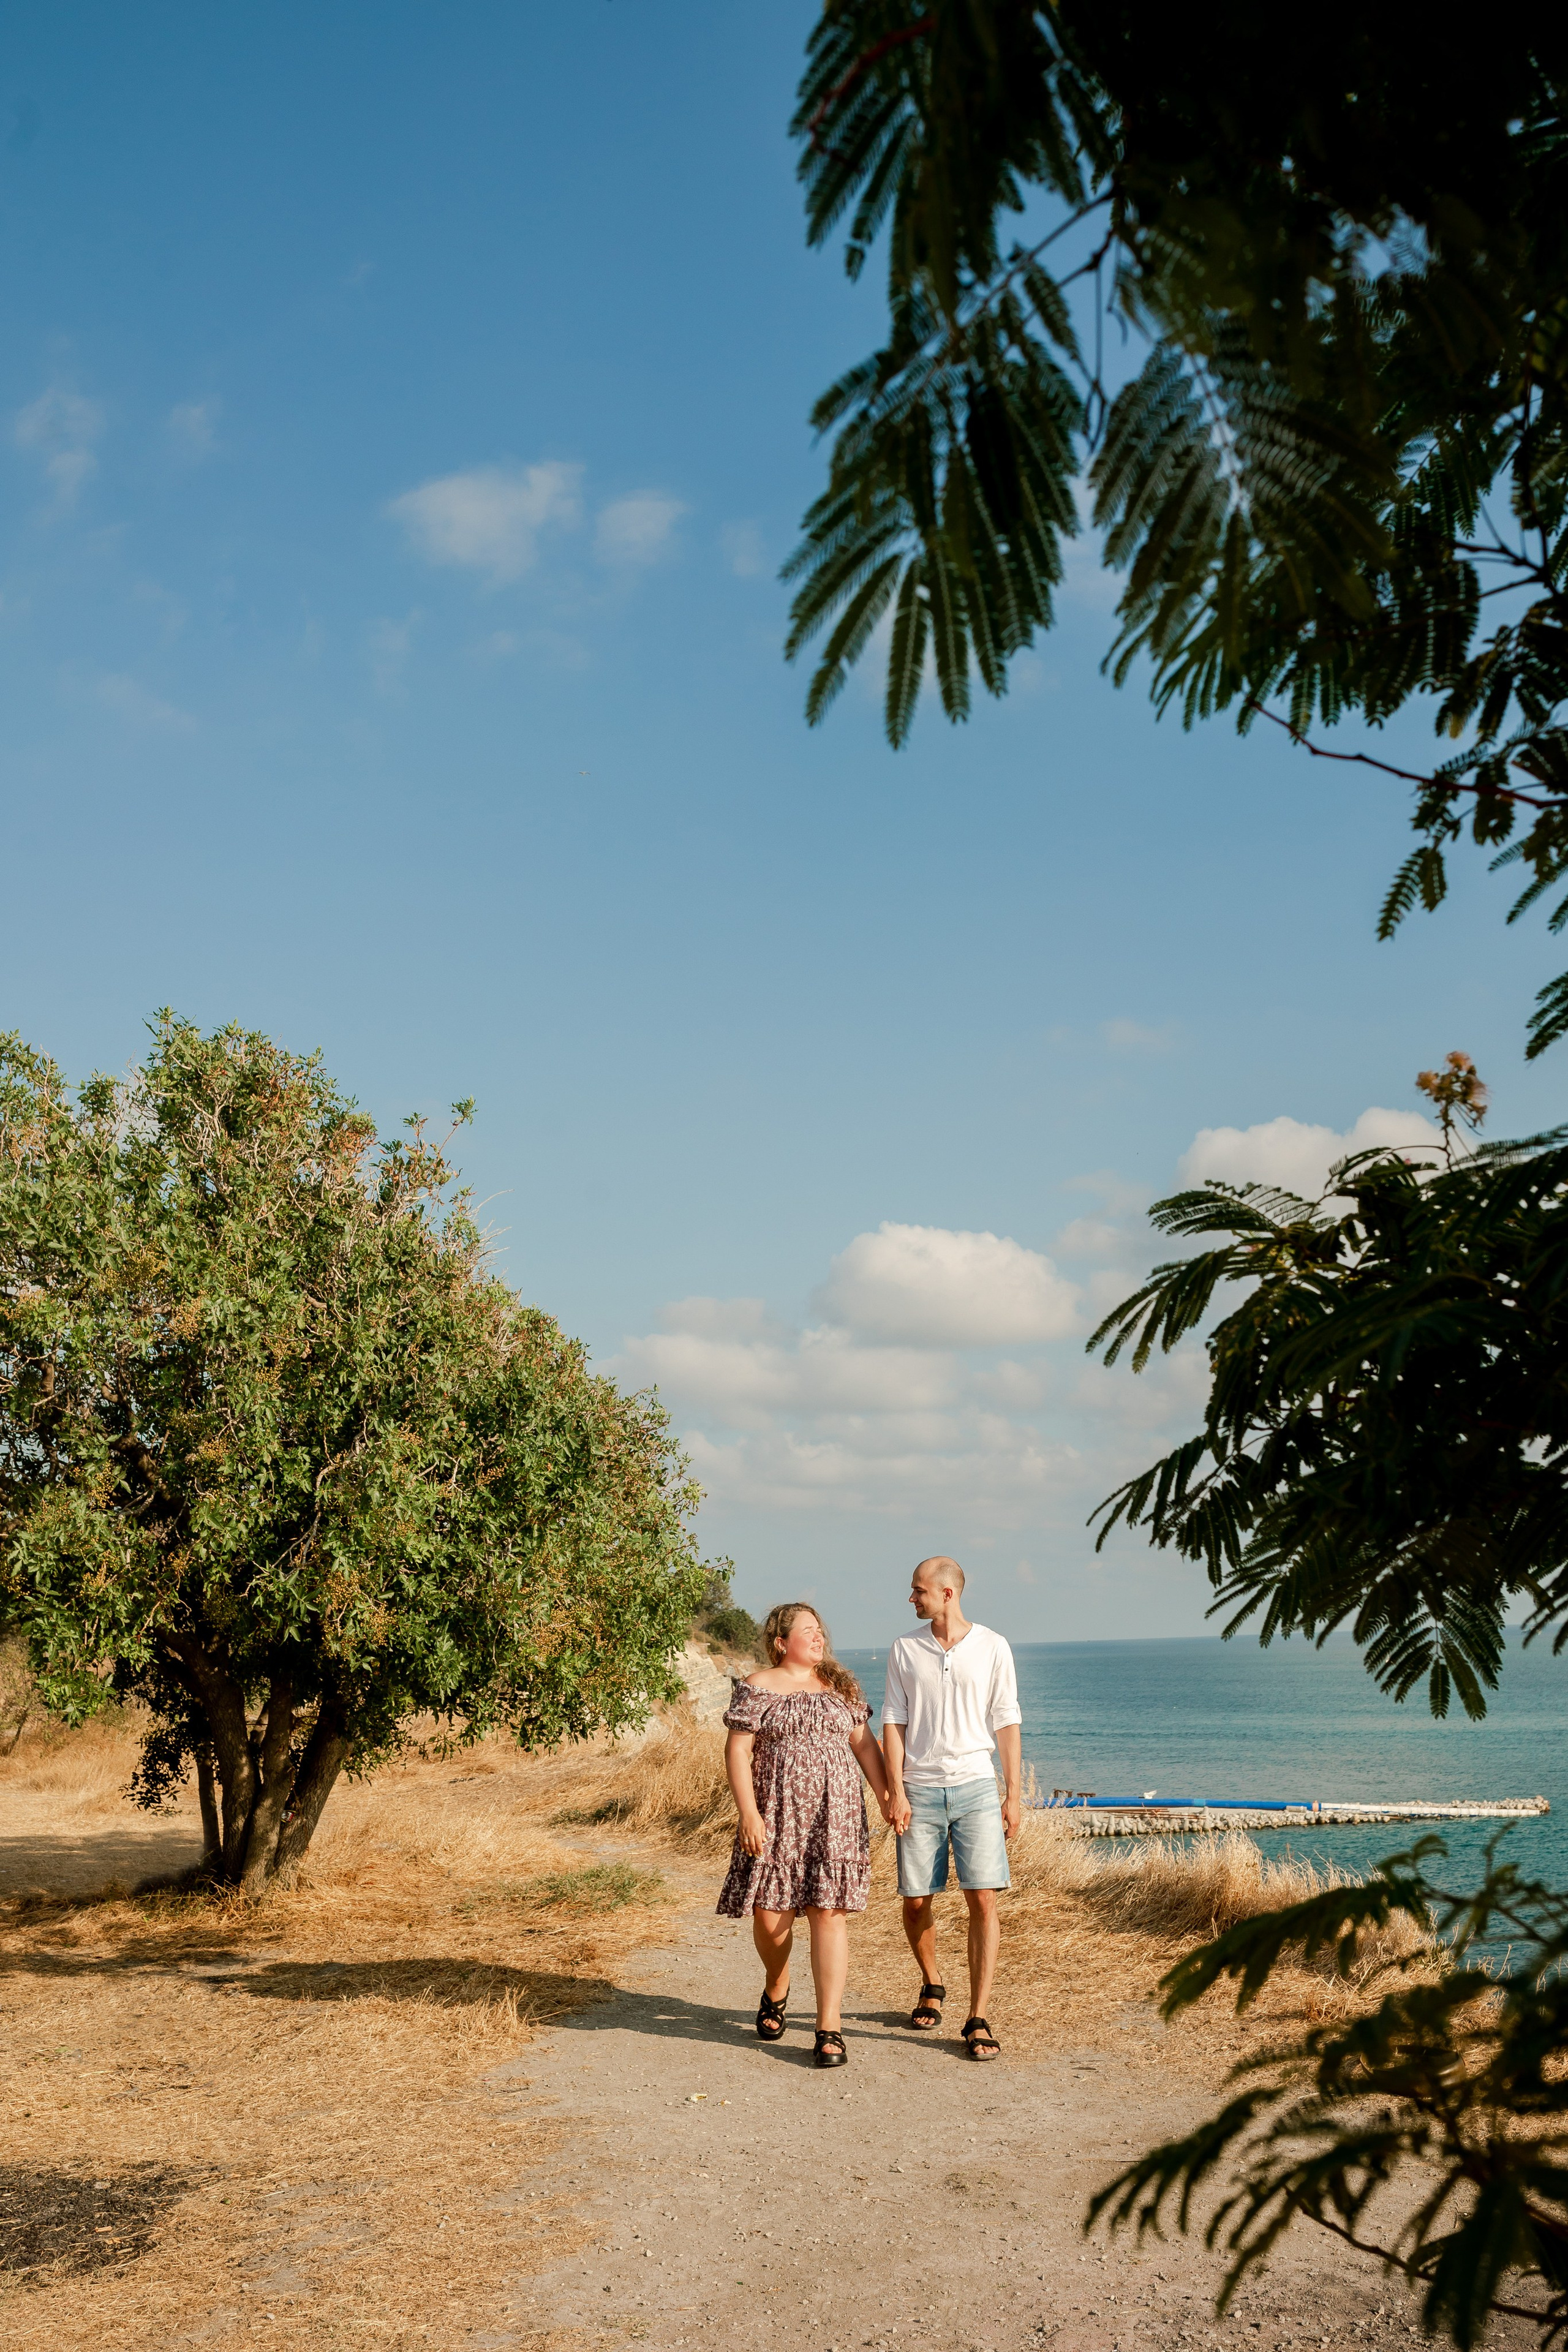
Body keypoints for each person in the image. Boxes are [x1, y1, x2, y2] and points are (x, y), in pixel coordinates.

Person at [717, 1601, 897, 2069]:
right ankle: (777, 1983)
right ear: (781, 1642)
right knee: (771, 1918)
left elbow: (864, 1744)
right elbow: (738, 1753)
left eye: (820, 1631)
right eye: (808, 1631)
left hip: (834, 1815)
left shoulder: (841, 1685)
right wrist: (749, 1815)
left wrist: (885, 1795)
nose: (820, 1638)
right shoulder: (757, 1687)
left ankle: (828, 2027)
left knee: (828, 1912)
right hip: (776, 1814)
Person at [881, 1556, 1022, 2061]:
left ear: (946, 1593)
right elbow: (893, 1723)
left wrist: (1013, 1794)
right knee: (917, 1900)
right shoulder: (905, 1648)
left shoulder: (993, 1647)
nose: (911, 1598)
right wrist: (895, 1790)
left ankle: (978, 2016)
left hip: (976, 1788)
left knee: (983, 1899)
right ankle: (932, 1981)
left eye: (918, 1590)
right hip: (919, 1789)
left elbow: (1006, 1722)